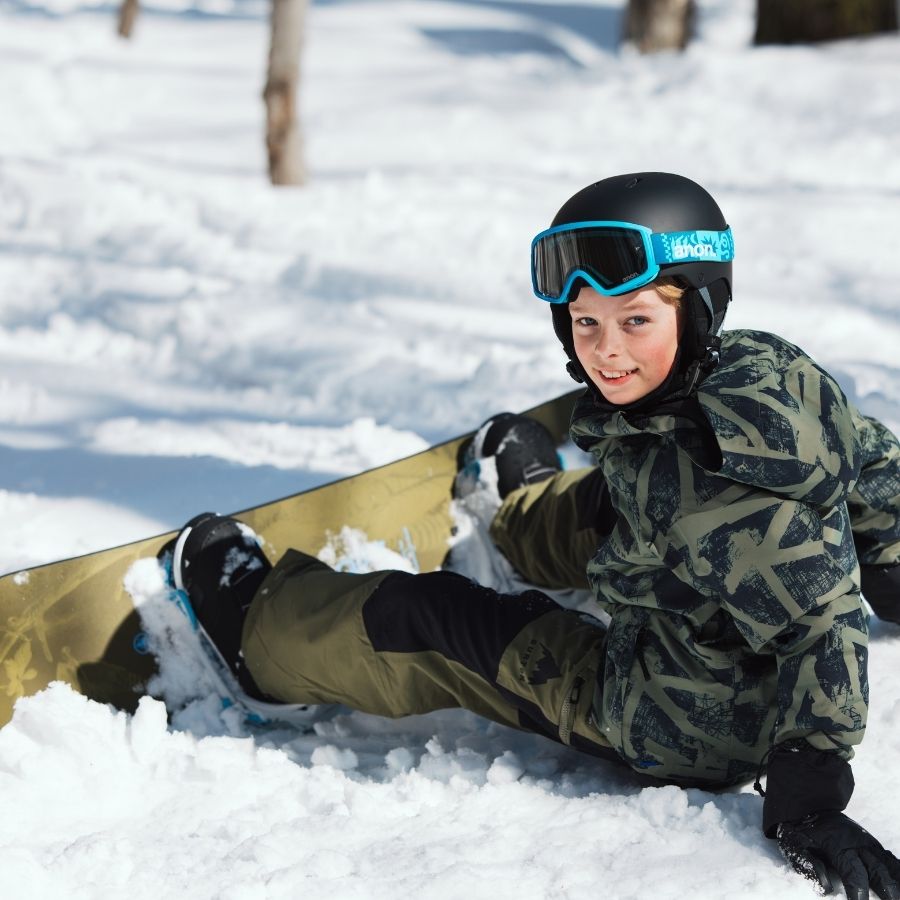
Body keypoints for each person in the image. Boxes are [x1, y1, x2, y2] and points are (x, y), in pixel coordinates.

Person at [165, 172, 900, 899]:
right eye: (586, 323)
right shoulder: (767, 373)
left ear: (697, 309)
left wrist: (810, 797)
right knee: (609, 500)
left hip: (678, 716)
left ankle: (261, 638)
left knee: (447, 624)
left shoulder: (731, 502)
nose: (606, 352)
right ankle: (517, 524)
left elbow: (821, 627)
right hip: (693, 599)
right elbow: (867, 459)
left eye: (635, 321)